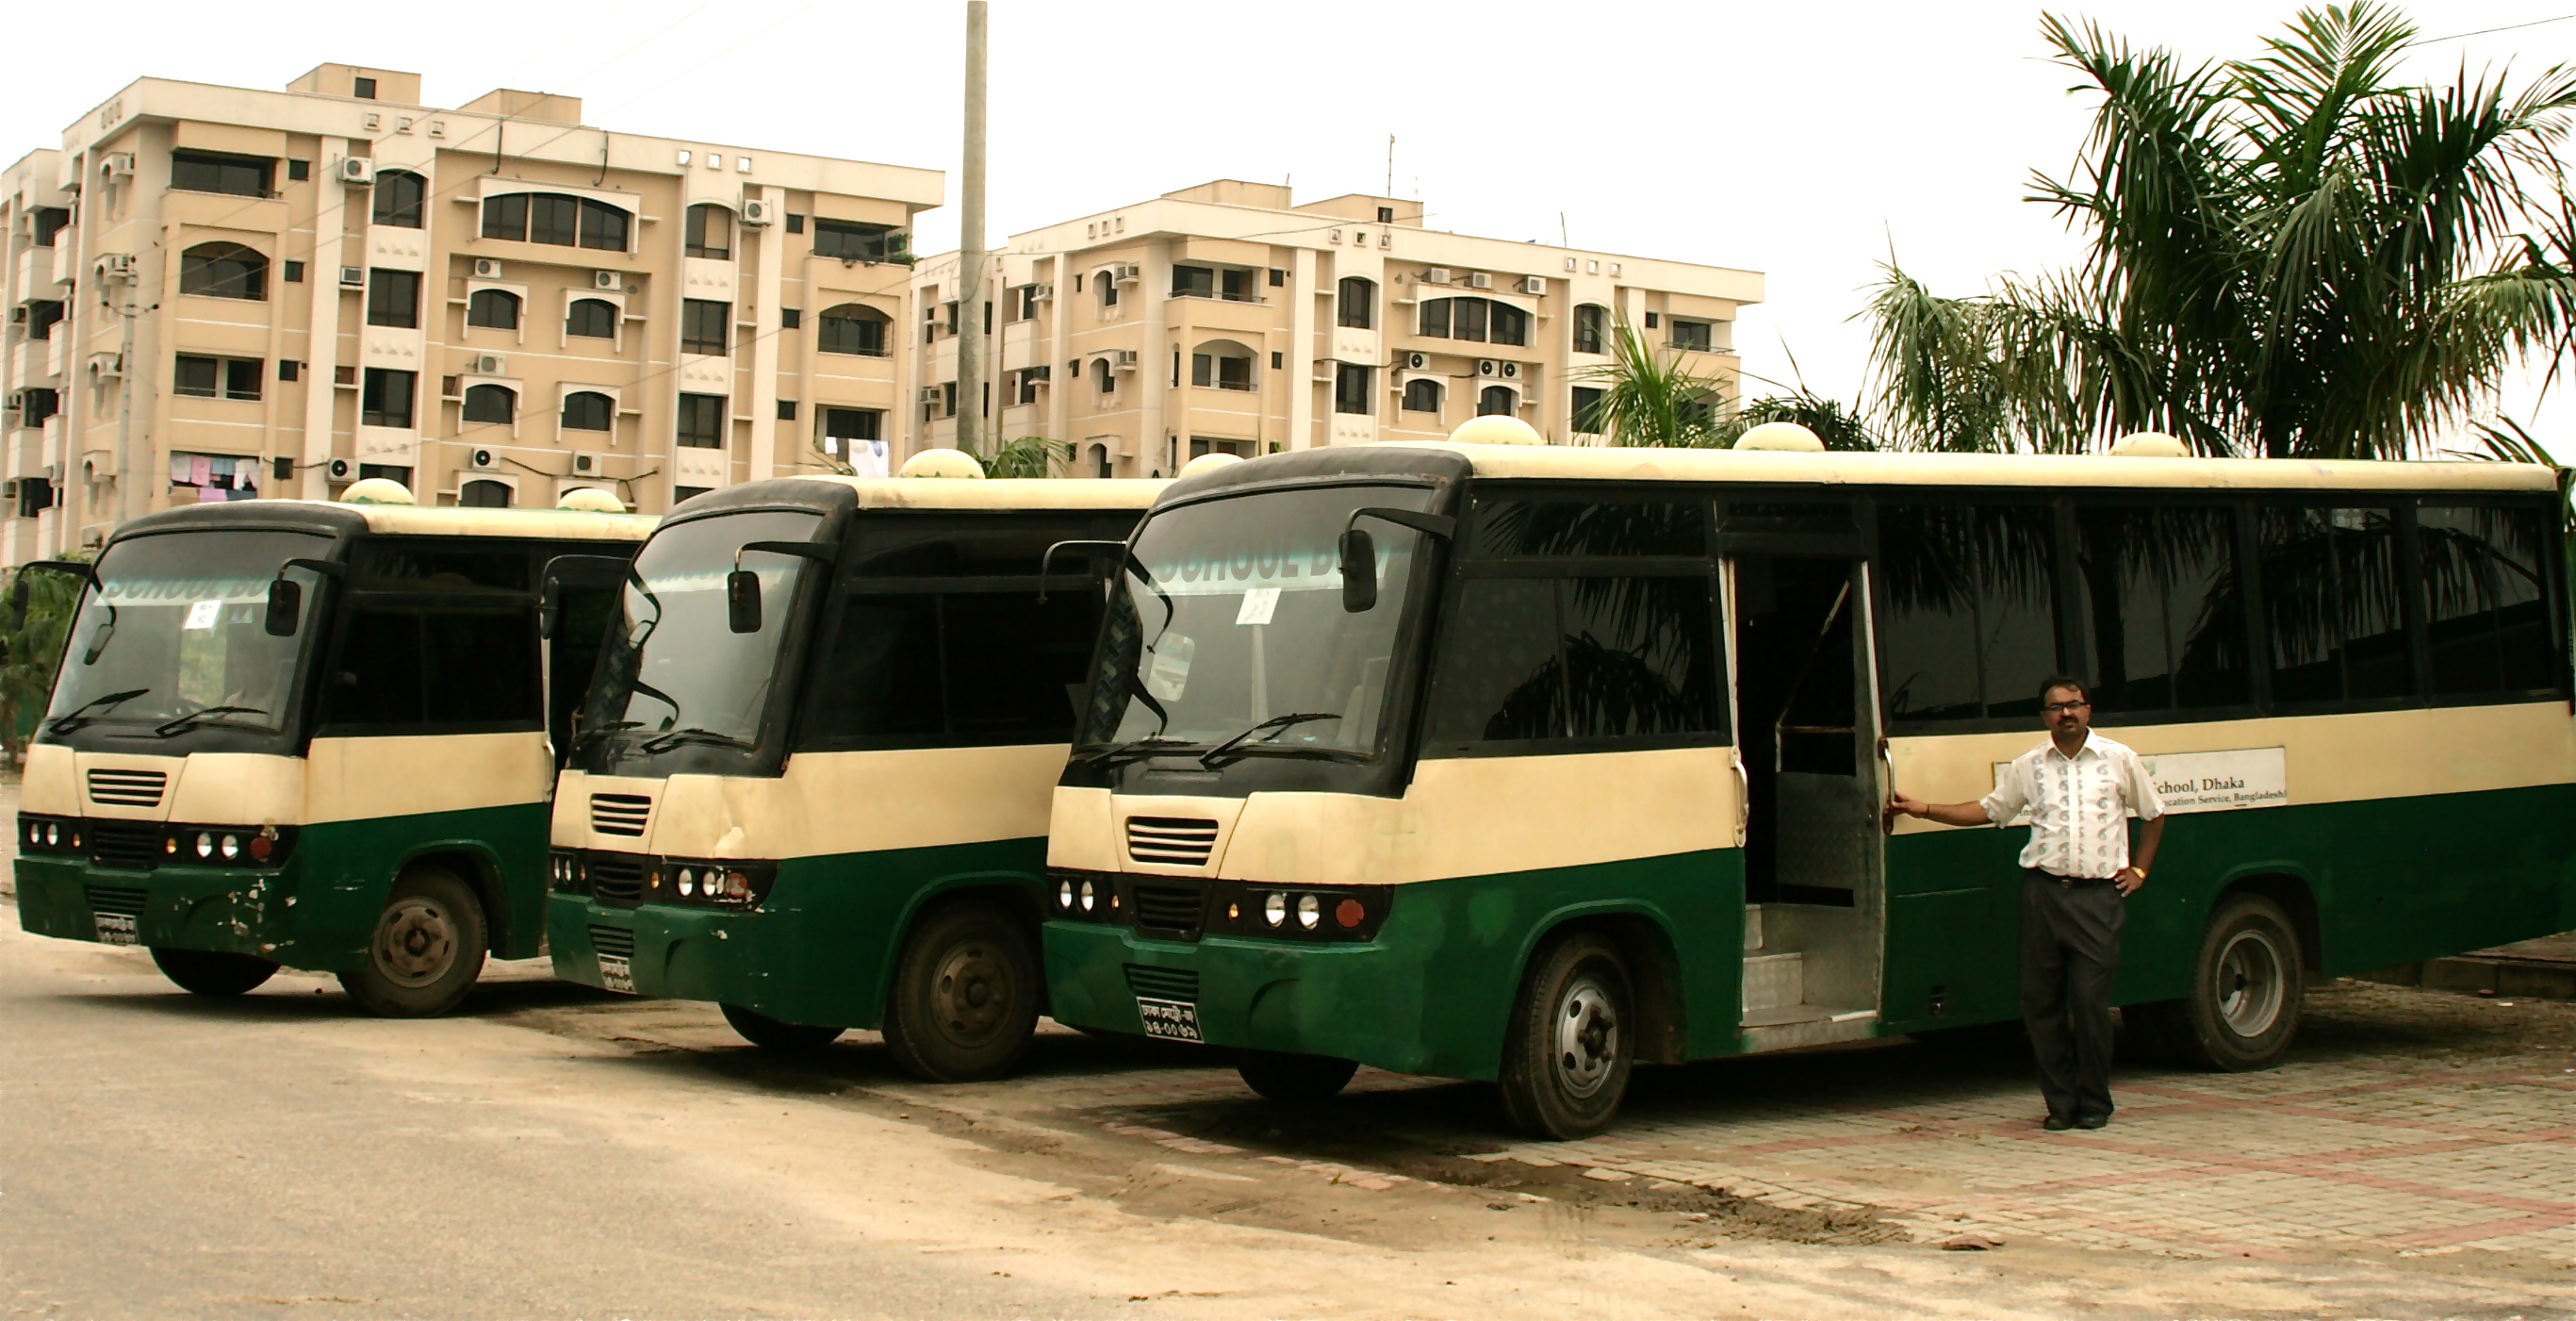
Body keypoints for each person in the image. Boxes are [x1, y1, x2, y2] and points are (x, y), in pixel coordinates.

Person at [1887, 676, 2166, 1131]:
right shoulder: (2030, 765)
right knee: (2041, 1005)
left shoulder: (2119, 759)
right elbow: (1989, 810)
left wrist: (2139, 871)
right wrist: (1925, 809)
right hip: (2044, 895)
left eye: (2074, 705)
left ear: (2088, 710)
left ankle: (2094, 1101)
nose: (2066, 714)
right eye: (2056, 708)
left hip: (2098, 899)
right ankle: (2059, 1105)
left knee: (2091, 1004)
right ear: (2045, 717)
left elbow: (2153, 815)